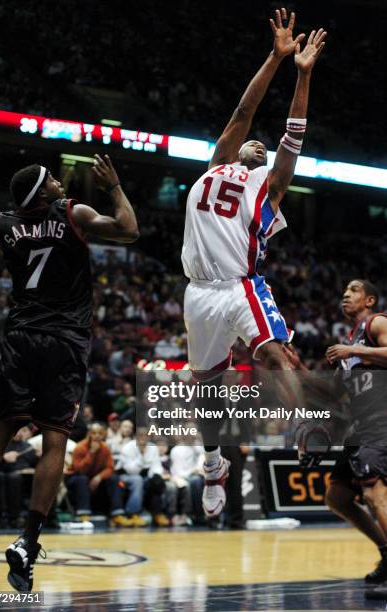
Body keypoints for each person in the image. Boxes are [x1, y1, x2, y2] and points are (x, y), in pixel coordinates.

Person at [181, 8, 326, 518]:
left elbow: (294, 136)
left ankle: (304, 423)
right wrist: (275, 57)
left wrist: (303, 77)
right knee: (208, 393)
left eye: (263, 148)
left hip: (240, 287)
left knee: (274, 353)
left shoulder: (268, 191)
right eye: (251, 141)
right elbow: (245, 109)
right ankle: (214, 463)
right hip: (197, 292)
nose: (256, 142)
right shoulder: (218, 161)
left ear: (261, 163)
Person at [0, 154, 138, 591]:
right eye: (50, 179)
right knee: (54, 439)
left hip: (20, 339)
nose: (57, 181)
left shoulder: (7, 224)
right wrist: (114, 187)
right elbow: (129, 229)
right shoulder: (73, 213)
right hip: (64, 343)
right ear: (41, 192)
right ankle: (28, 541)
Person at [323, 280, 387, 593]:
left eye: (353, 289)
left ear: (370, 299)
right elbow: (332, 395)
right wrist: (295, 368)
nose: (345, 294)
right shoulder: (349, 346)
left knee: (375, 495)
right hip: (361, 427)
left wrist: (353, 350)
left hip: (382, 421)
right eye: (343, 290)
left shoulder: (377, 323)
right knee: (338, 497)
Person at [65, 422, 125, 525]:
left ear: (104, 435)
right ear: (89, 434)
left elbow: (110, 468)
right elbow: (79, 470)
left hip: (95, 479)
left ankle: (117, 514)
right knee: (82, 478)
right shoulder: (80, 447)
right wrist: (91, 453)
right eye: (94, 433)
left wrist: (99, 477)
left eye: (100, 433)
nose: (97, 435)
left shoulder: (105, 448)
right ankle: (83, 514)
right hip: (76, 479)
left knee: (114, 478)